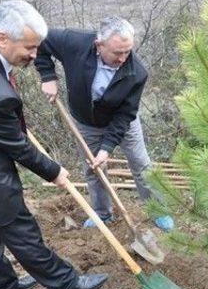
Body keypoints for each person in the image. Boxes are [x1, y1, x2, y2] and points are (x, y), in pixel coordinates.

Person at [0, 0, 108, 289]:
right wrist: (54, 170)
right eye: (29, 48)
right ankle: (65, 283)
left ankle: (0, 286)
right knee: (20, 229)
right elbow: (19, 147)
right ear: (2, 38)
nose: (34, 55)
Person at [34, 16, 173, 231]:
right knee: (93, 169)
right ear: (99, 45)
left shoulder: (136, 72)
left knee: (141, 165)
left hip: (122, 122)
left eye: (127, 52)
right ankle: (102, 213)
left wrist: (107, 148)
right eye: (117, 52)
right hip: (86, 122)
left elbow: (125, 115)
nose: (123, 58)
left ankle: (157, 209)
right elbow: (41, 40)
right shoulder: (75, 43)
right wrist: (47, 76)